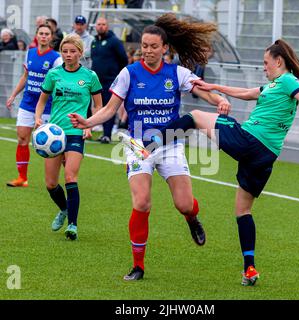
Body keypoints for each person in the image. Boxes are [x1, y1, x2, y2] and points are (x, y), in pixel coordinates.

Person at [146, 39, 299, 286]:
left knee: (195, 116)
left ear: (278, 61)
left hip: (249, 141)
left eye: (266, 62)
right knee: (243, 211)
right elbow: (247, 94)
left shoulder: (288, 81)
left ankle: (148, 147)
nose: (264, 67)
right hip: (265, 156)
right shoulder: (274, 85)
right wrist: (214, 86)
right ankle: (249, 269)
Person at [69, 13, 230, 280]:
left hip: (169, 143)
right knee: (142, 203)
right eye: (144, 45)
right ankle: (138, 266)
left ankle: (192, 219)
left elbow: (204, 90)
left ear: (165, 48)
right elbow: (110, 109)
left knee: (184, 204)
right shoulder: (128, 73)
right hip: (137, 146)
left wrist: (219, 100)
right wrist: (87, 122)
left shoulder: (177, 73)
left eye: (154, 46)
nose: (148, 50)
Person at [34, 34, 102, 240]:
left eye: (73, 51)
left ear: (80, 53)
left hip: (75, 132)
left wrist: (89, 125)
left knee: (71, 177)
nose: (69, 55)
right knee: (50, 184)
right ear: (61, 53)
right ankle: (64, 209)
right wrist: (38, 118)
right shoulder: (53, 74)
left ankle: (72, 224)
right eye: (65, 51)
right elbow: (42, 100)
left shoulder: (90, 76)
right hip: (54, 134)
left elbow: (99, 106)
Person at [6, 24, 62, 187]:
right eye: (41, 33)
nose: (43, 36)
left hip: (47, 107)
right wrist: (13, 95)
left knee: (54, 144)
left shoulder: (55, 58)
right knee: (22, 138)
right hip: (27, 103)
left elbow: (59, 83)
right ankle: (22, 178)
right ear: (36, 36)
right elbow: (26, 76)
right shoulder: (30, 53)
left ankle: (58, 179)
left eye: (47, 34)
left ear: (51, 37)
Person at [91, 17, 128, 144]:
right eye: (99, 24)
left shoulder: (114, 42)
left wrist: (118, 75)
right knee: (99, 107)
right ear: (96, 26)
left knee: (109, 107)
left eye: (103, 24)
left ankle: (107, 134)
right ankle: (100, 131)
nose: (101, 26)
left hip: (110, 81)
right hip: (96, 82)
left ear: (107, 26)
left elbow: (123, 59)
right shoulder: (94, 42)